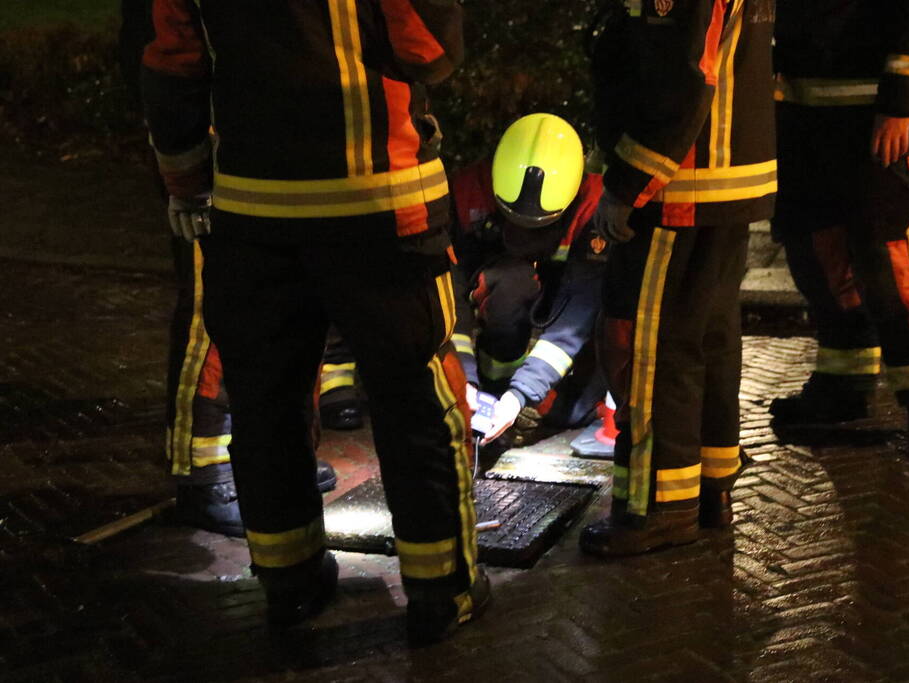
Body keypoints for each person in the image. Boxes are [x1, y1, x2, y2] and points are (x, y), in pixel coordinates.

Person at [141, 0, 486, 643]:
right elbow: (432, 51)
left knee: (267, 403)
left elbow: (173, 60)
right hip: (380, 205)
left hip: (251, 212)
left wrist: (185, 179)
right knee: (416, 402)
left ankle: (289, 584)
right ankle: (443, 589)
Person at [118, 0, 341, 539]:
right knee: (210, 309)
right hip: (220, 148)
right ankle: (205, 474)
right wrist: (188, 163)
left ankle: (282, 458)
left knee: (288, 309)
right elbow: (165, 57)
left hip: (273, 147)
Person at [580, 0, 776, 556]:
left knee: (652, 349)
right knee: (707, 340)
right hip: (724, 178)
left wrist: (630, 180)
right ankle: (707, 489)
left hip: (680, 184)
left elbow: (681, 75)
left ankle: (657, 510)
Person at [771, 0, 909, 455]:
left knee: (887, 260)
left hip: (873, 117)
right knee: (817, 257)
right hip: (799, 118)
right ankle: (843, 385)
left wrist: (899, 102)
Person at [447, 114, 610, 450]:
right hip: (507, 286)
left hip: (565, 293)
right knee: (511, 285)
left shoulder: (595, 208)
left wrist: (523, 393)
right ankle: (495, 383)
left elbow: (577, 318)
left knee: (570, 411)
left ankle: (526, 392)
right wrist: (463, 379)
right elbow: (452, 297)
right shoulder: (465, 194)